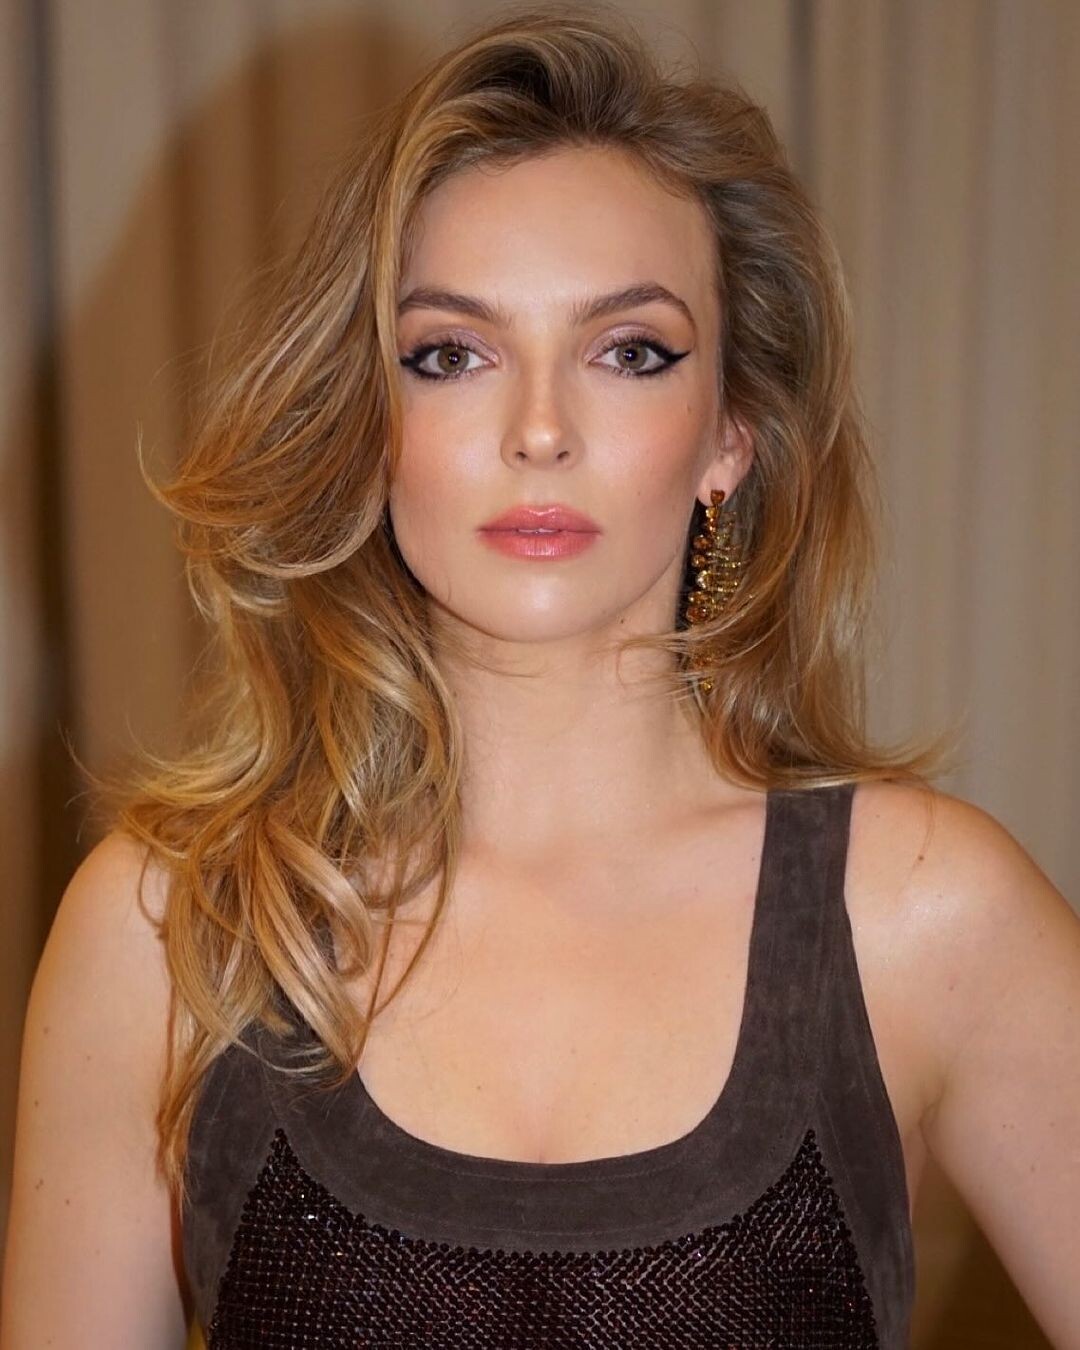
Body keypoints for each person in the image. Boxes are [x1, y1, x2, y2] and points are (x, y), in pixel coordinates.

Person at [3, 5, 1079, 1348]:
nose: (540, 430)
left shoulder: (922, 913)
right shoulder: (169, 934)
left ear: (731, 434)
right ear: (368, 426)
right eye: (451, 355)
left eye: (629, 352)